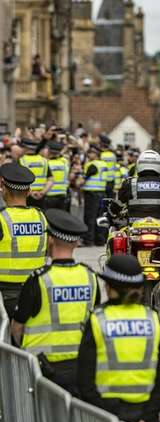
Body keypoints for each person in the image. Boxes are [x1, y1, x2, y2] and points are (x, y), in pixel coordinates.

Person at [77, 255, 160, 422]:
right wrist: (146, 420)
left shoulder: (98, 320)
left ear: (110, 287)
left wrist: (109, 419)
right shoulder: (151, 318)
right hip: (146, 420)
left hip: (107, 419)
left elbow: (85, 381)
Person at [11, 209, 98, 394]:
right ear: (75, 243)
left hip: (43, 369)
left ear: (50, 240)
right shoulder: (90, 277)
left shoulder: (39, 279)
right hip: (80, 366)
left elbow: (17, 328)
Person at [0, 163, 48, 315]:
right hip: (36, 289)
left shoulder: (2, 218)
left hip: (6, 293)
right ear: (28, 191)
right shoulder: (42, 217)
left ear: (3, 187)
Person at [116, 150, 160, 221]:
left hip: (134, 228)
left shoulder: (129, 183)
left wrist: (111, 214)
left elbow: (117, 205)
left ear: (138, 164)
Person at [81, 146, 107, 247]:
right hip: (102, 193)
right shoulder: (104, 164)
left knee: (90, 217)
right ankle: (100, 240)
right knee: (100, 217)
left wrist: (78, 184)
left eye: (90, 153)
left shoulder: (91, 165)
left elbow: (84, 180)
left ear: (95, 154)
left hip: (92, 194)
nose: (89, 155)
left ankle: (88, 240)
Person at [19, 138, 48, 209]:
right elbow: (51, 180)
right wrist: (42, 193)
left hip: (26, 196)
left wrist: (31, 193)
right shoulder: (44, 161)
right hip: (41, 196)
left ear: (25, 148)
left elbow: (19, 181)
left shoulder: (21, 161)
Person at [42, 141, 70, 211]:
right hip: (62, 195)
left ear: (48, 151)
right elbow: (61, 156)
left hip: (48, 195)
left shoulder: (45, 163)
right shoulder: (64, 162)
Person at [99, 135, 117, 199]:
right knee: (109, 199)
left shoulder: (100, 155)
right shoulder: (113, 155)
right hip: (111, 180)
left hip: (103, 180)